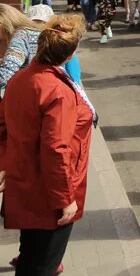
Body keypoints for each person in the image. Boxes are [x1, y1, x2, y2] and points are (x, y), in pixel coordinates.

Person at [0, 15, 92, 276]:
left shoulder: (20, 79)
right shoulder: (58, 90)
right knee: (42, 265)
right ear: (71, 53)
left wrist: (5, 165)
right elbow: (55, 148)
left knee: (30, 257)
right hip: (50, 194)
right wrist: (65, 200)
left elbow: (3, 125)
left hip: (25, 186)